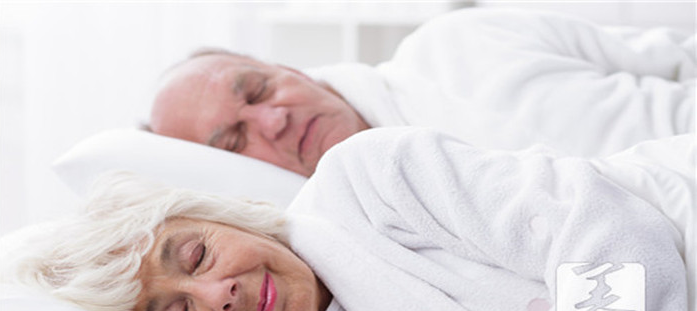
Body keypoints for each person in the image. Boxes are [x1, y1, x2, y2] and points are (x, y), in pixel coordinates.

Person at [16, 127, 691, 311]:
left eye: (197, 254)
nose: (218, 293)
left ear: (225, 216)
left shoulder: (371, 178)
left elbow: (604, 232)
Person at [147, 8, 695, 176]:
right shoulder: (365, 248)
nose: (273, 120)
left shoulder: (461, 38)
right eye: (235, 140)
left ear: (287, 67)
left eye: (257, 90)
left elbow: (680, 56)